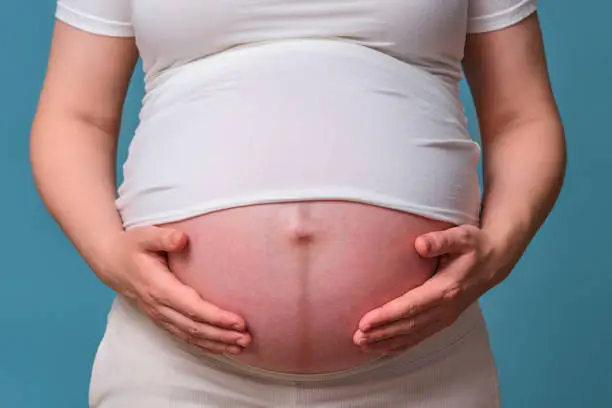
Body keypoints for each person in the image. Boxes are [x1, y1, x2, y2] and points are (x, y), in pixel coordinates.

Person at [30, 0, 566, 406]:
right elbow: (75, 115)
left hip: (424, 367)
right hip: (174, 369)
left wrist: (498, 248)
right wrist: (108, 252)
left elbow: (523, 116)